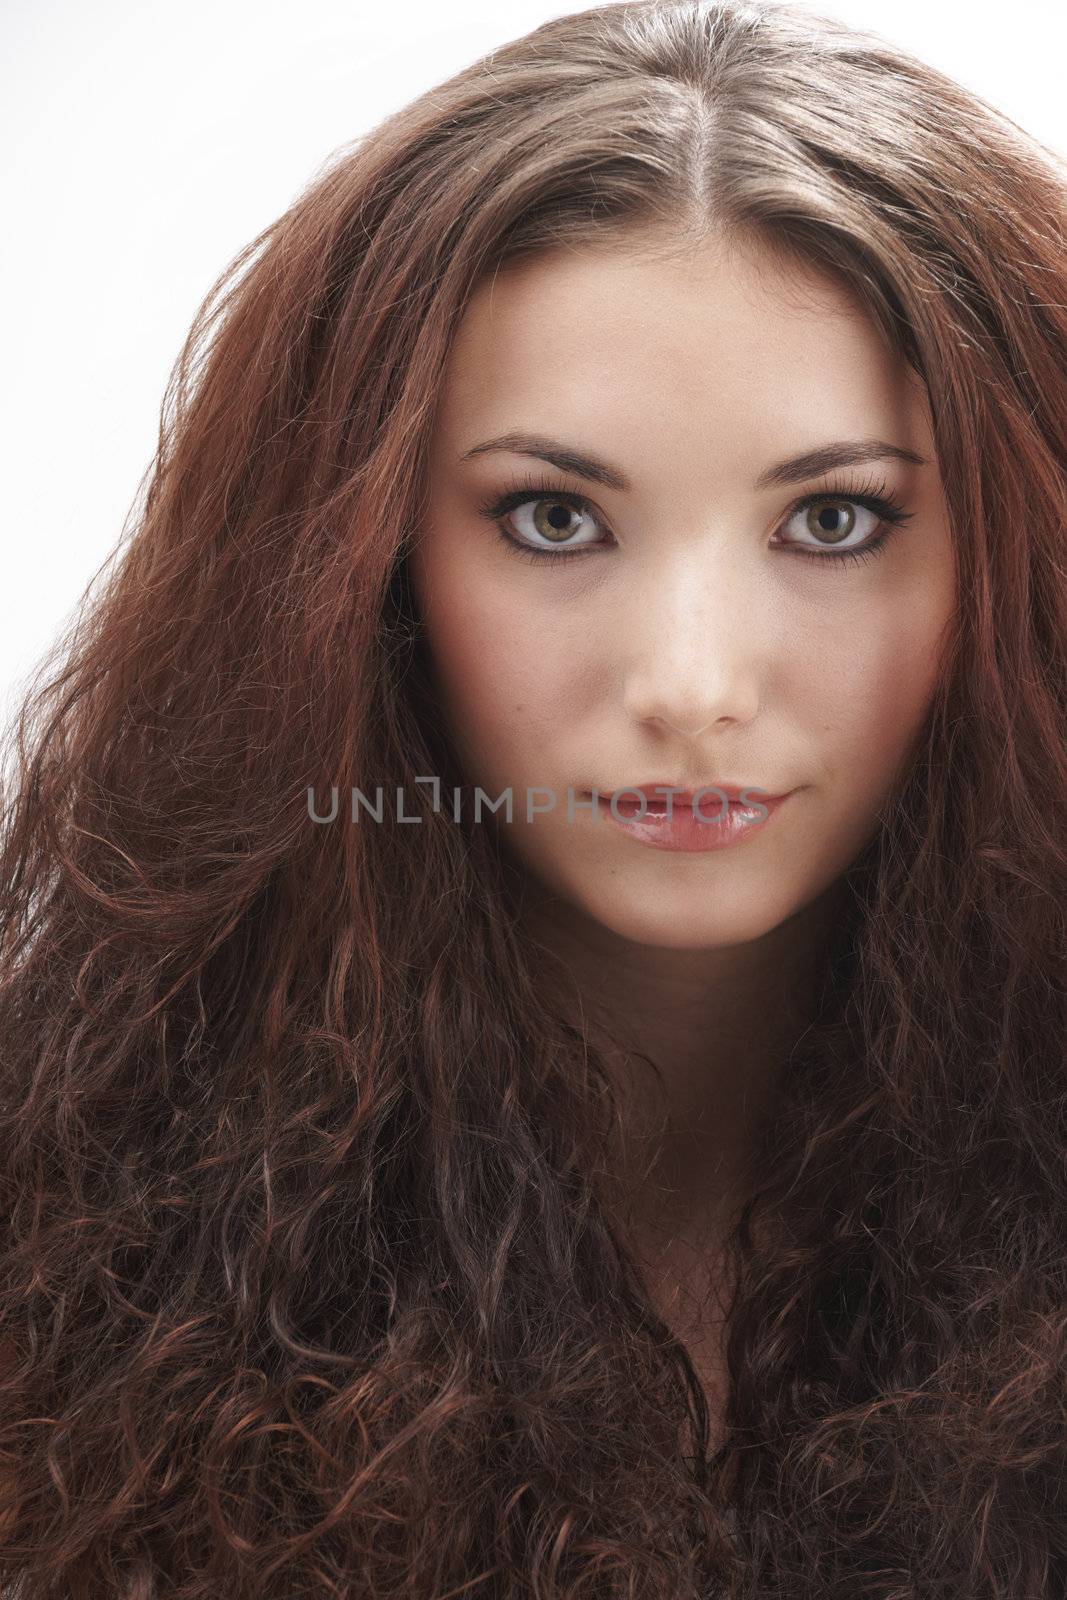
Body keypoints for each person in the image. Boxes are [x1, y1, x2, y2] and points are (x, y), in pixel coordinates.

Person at [0, 1, 1064, 1594]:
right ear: (359, 571)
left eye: (836, 520)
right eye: (554, 519)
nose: (693, 684)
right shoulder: (57, 1259)